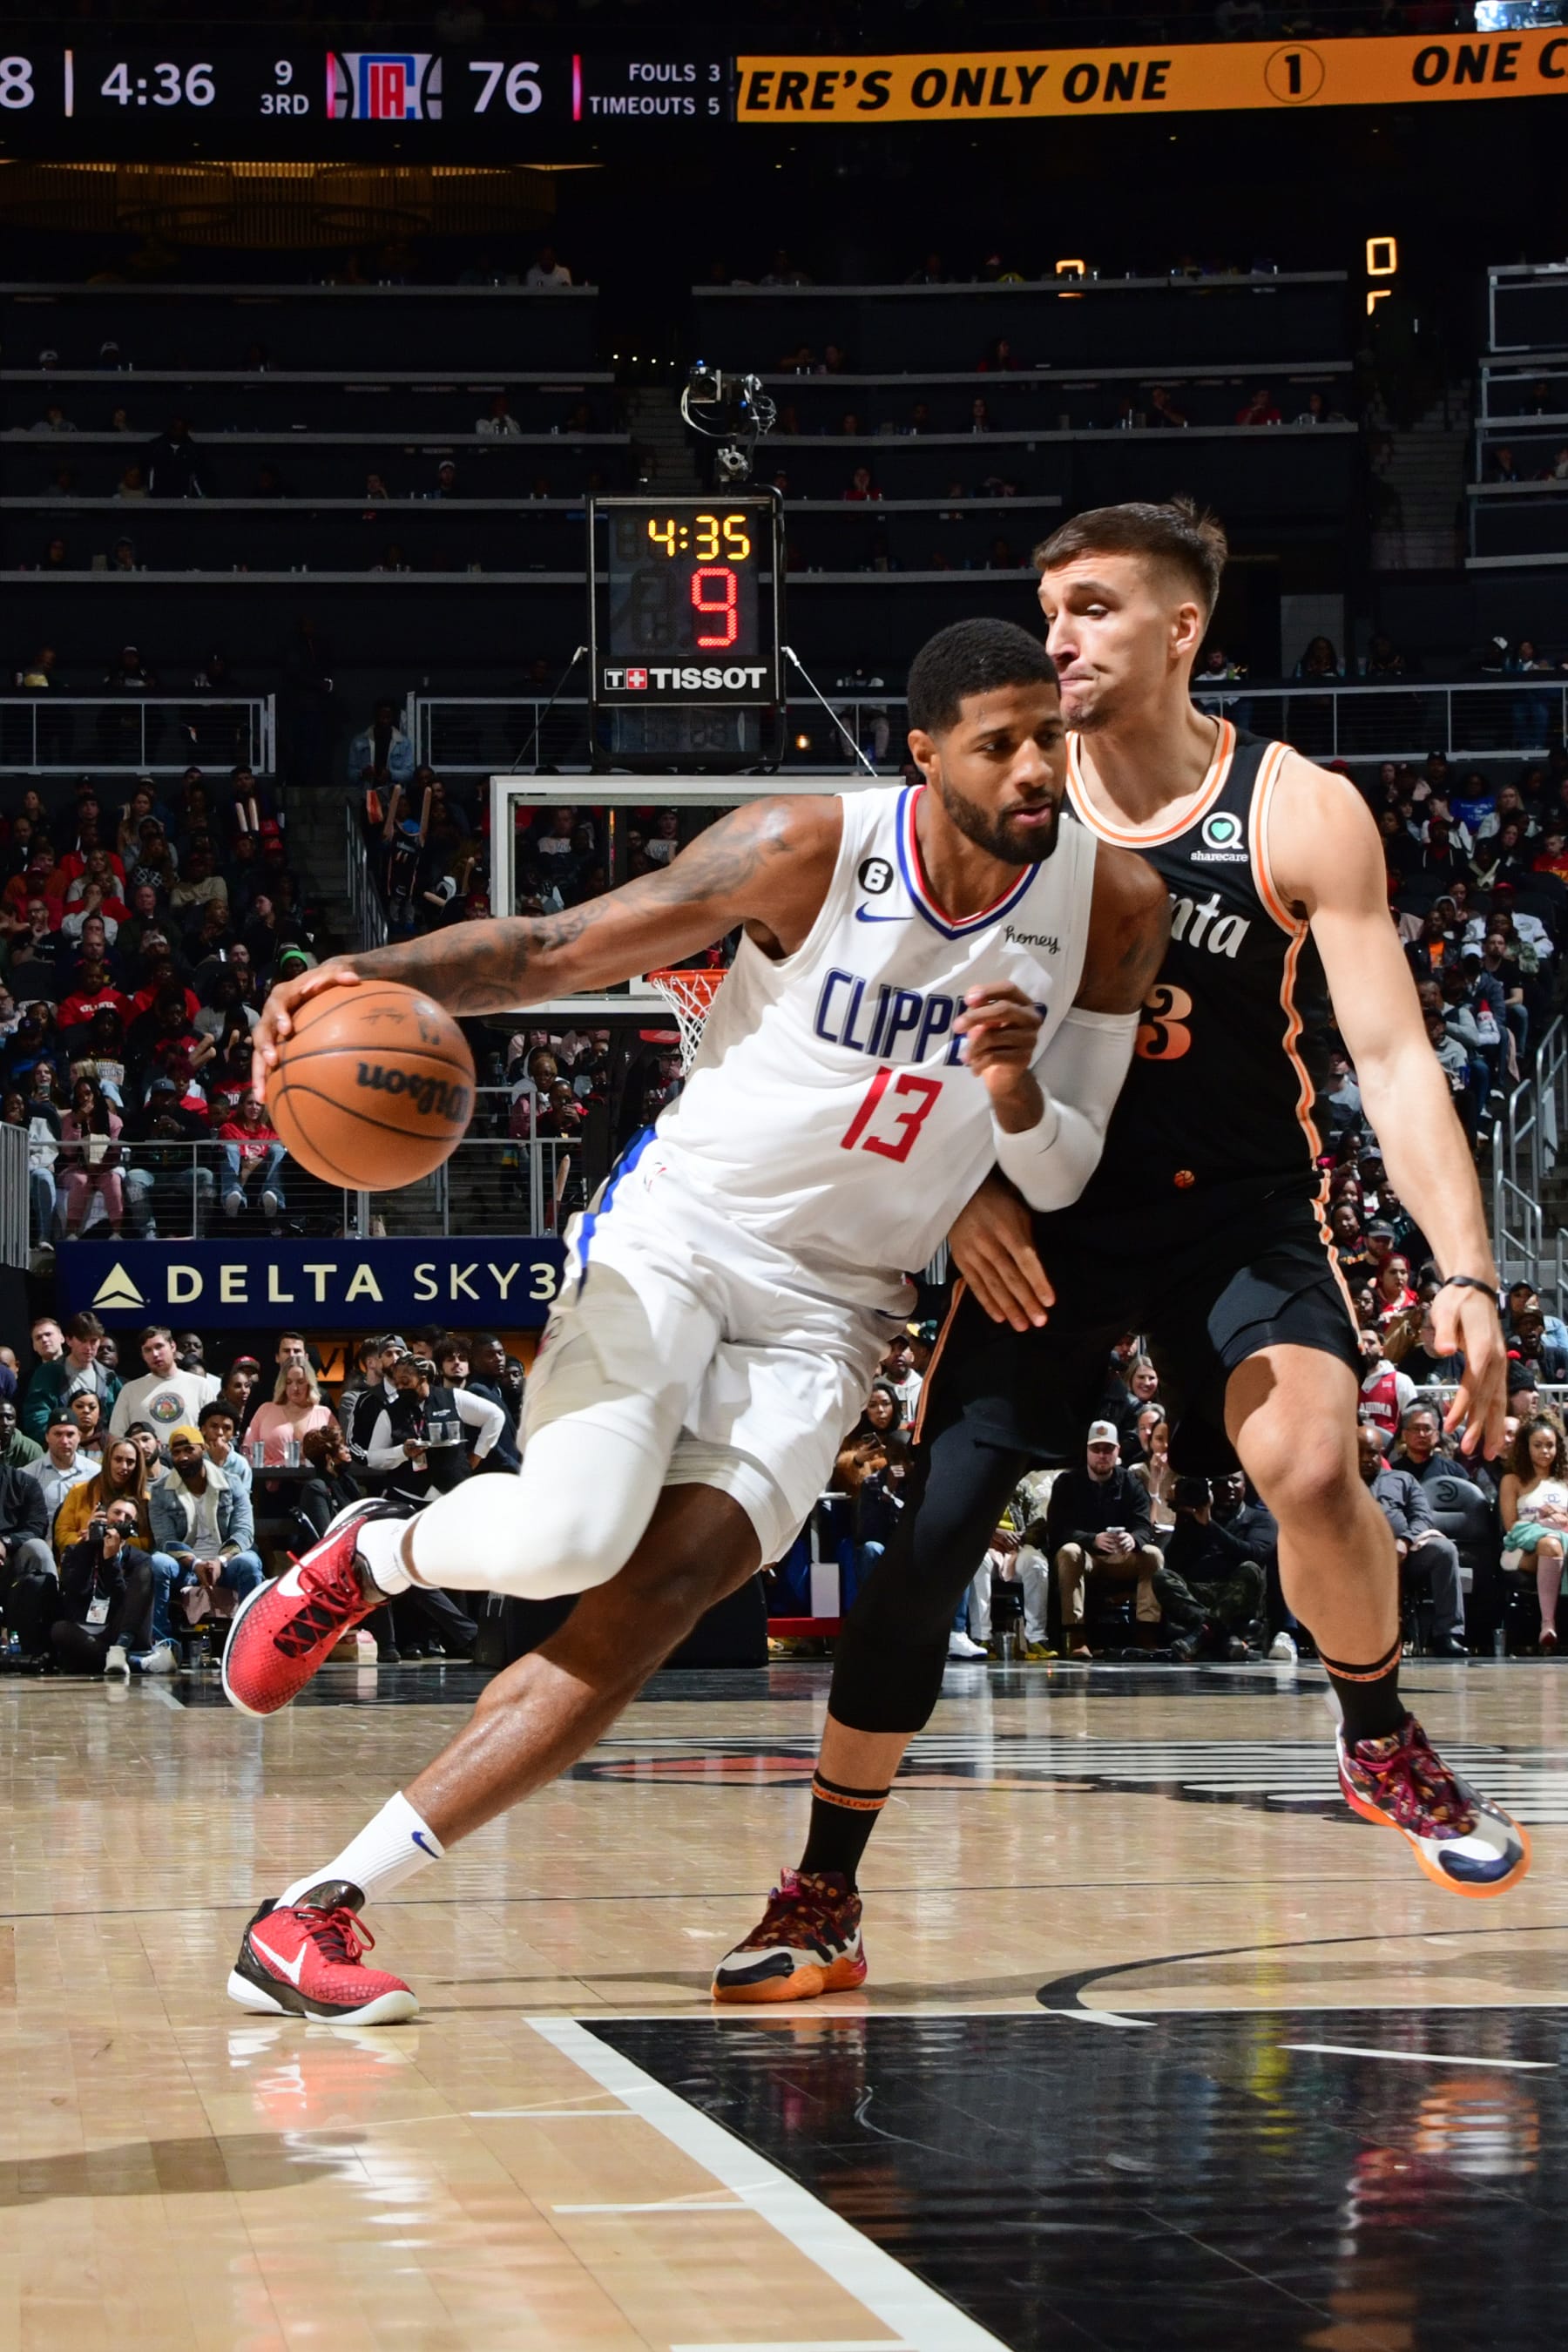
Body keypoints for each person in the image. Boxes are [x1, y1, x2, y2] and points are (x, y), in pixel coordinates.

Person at [217, 614, 1169, 2022]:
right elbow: (555, 946)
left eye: (1055, 739)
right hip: (683, 1238)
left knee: (652, 1607)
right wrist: (376, 981)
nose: (1039, 768)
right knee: (572, 1534)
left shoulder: (1114, 907)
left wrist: (1009, 1118)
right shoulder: (810, 844)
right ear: (924, 757)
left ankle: (312, 1913)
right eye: (1002, 743)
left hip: (835, 1317)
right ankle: (384, 1548)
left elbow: (1064, 1159)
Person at [713, 496, 1524, 2006]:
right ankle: (820, 1889)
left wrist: (1467, 1270)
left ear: (1181, 630)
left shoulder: (1296, 809)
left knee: (1309, 1464)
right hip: (1047, 1217)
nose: (1058, 635)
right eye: (1048, 607)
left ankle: (1376, 1729)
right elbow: (877, 1012)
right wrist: (961, 1192)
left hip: (1237, 1203)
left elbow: (1397, 1058)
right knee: (935, 1537)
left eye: (1089, 606)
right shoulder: (1016, 792)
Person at [1042, 1421, 1161, 1658]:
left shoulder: (1130, 1482)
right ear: (1086, 1451)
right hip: (1088, 1557)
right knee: (1069, 1551)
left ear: (1117, 1451)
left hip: (1122, 1556)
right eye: (1096, 1449)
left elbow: (1143, 1525)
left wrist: (1133, 1539)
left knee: (1153, 1554)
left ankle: (1147, 1632)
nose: (1102, 1455)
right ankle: (1075, 1635)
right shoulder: (1067, 1483)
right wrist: (1093, 1540)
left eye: (1108, 1449)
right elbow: (1057, 1529)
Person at [1355, 1424, 1467, 1655]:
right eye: (1360, 1452)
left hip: (1404, 1555)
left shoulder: (1403, 1480)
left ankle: (1447, 1635)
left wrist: (1404, 1540)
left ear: (1382, 1453)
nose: (1366, 1459)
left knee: (1444, 1550)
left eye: (1373, 1453)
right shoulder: (1339, 1484)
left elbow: (1422, 1516)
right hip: (1356, 1558)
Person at [148, 1425, 264, 1635]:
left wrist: (220, 1561)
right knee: (158, 1563)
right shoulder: (160, 1491)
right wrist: (195, 1564)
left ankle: (250, 1636)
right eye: (176, 1452)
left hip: (226, 1563)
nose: (182, 1457)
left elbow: (244, 1532)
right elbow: (165, 1540)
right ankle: (161, 1641)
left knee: (249, 1562)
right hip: (184, 1566)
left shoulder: (232, 1483)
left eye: (188, 1450)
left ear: (203, 1449)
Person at [1152, 1473, 1267, 1659]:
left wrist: (1209, 1525)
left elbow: (1255, 1554)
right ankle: (1219, 1635)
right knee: (1162, 1577)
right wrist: (1183, 1516)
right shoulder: (1192, 1516)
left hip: (1234, 1593)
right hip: (1200, 1590)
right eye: (1222, 1482)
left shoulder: (1259, 1518)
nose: (1229, 1486)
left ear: (1246, 1485)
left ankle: (1200, 1635)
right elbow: (1174, 1562)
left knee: (1251, 1569)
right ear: (1211, 1489)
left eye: (1235, 1481)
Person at [51, 1498, 157, 1677]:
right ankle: (132, 1662)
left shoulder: (139, 1559)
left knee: (146, 1573)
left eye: (128, 1516)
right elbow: (74, 1592)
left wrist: (111, 1561)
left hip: (120, 1632)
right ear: (103, 1516)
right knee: (59, 1629)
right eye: (116, 1513)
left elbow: (127, 1606)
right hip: (86, 1633)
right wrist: (86, 1546)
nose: (121, 1519)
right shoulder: (77, 1551)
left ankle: (117, 1653)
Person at [1498, 1413, 1568, 1654]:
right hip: (1521, 1548)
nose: (1545, 1451)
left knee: (1556, 1543)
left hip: (1563, 1543)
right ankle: (1547, 1623)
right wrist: (1545, 1521)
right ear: (1525, 1447)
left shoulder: (1565, 1480)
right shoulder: (1512, 1480)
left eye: (1550, 1445)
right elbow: (1511, 1526)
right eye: (1538, 1445)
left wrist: (1561, 1516)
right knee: (1551, 1543)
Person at [109, 1324, 219, 1439]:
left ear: (173, 1346)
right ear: (143, 1356)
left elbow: (213, 1433)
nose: (155, 1354)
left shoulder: (201, 1386)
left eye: (159, 1346)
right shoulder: (130, 1391)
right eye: (148, 1350)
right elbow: (116, 1437)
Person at [246, 1362, 335, 1468]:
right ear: (282, 1384)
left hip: (316, 1478)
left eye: (300, 1382)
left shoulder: (324, 1413)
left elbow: (339, 1450)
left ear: (310, 1383)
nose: (295, 1388)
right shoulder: (265, 1410)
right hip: (272, 1478)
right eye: (288, 1382)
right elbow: (248, 1450)